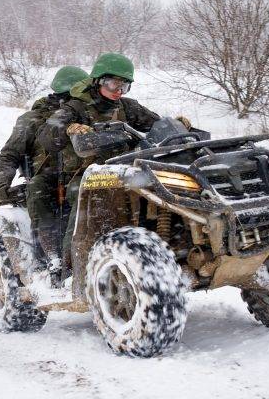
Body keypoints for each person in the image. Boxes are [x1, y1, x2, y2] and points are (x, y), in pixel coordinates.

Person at [38, 53, 191, 268]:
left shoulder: (127, 107)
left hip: (127, 169)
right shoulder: (75, 108)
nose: (118, 91)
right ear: (98, 81)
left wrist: (176, 125)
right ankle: (69, 267)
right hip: (87, 173)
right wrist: (67, 128)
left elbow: (156, 125)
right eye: (113, 85)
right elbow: (47, 135)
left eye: (124, 86)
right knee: (80, 202)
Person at [0, 66, 90, 266]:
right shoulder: (34, 119)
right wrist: (2, 186)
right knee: (38, 188)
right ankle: (52, 259)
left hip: (83, 176)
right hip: (49, 180)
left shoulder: (88, 115)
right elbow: (10, 154)